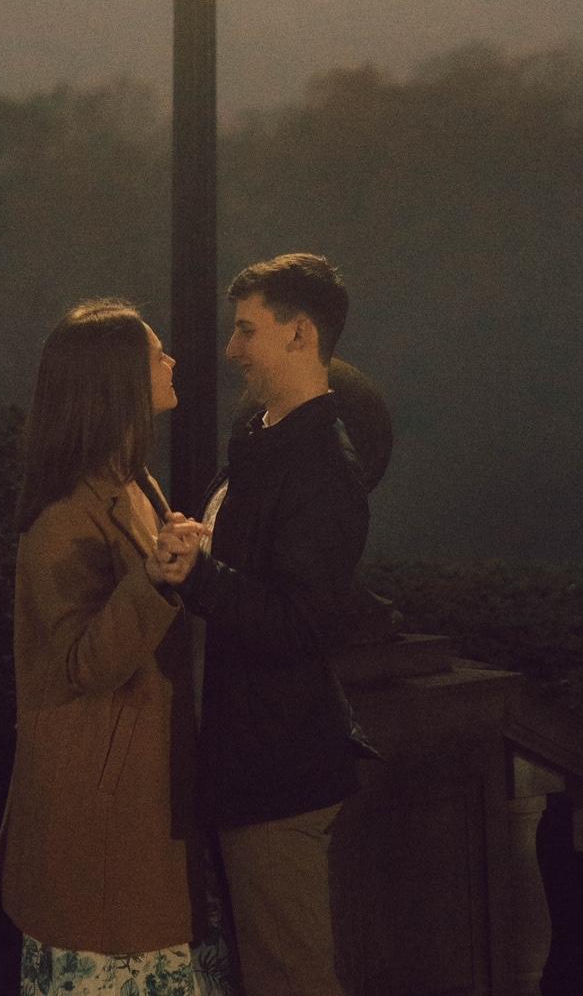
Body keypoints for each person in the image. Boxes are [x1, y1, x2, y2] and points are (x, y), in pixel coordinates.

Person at [0, 298, 235, 995]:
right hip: (100, 814)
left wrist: (176, 557)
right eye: (156, 353)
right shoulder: (63, 515)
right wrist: (153, 579)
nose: (172, 360)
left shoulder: (134, 483)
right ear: (116, 380)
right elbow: (81, 662)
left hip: (143, 800)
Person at [159, 253, 379, 996]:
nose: (231, 349)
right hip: (248, 762)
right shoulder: (262, 439)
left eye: (247, 330)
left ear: (300, 334)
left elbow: (300, 623)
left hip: (275, 775)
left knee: (290, 976)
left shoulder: (322, 468)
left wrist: (197, 575)